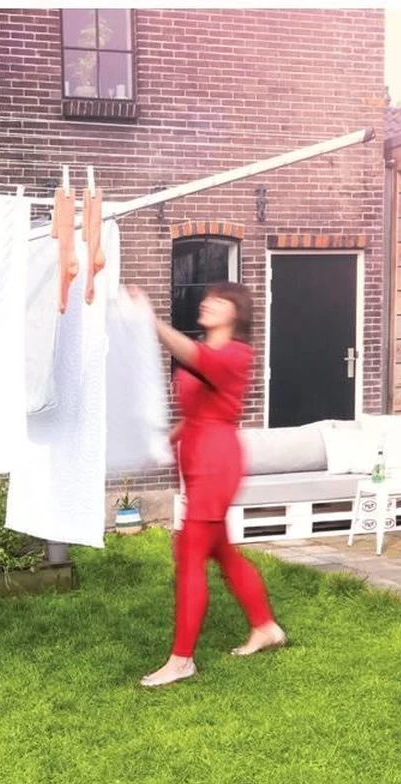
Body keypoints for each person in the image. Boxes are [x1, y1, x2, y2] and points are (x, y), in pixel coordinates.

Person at [128, 281, 286, 688]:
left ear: (236, 312)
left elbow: (193, 357)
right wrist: (165, 443)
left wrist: (150, 322)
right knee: (222, 553)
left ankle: (181, 660)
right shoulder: (207, 352)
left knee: (190, 555)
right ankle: (265, 627)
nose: (208, 302)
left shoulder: (236, 354)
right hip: (197, 457)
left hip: (217, 462)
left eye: (220, 300)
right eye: (208, 297)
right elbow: (196, 412)